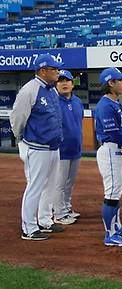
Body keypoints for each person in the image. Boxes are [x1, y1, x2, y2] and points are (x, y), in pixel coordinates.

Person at [11, 53, 65, 240]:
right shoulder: (29, 90)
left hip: (52, 146)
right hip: (37, 147)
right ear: (43, 71)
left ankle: (45, 220)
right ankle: (29, 227)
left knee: (50, 186)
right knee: (35, 187)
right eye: (54, 69)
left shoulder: (51, 89)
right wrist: (21, 139)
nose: (57, 72)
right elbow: (18, 118)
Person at [95, 67, 122, 247]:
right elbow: (114, 133)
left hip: (117, 150)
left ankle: (117, 226)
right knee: (111, 193)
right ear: (110, 83)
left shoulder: (115, 102)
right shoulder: (105, 105)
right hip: (110, 149)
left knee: (116, 192)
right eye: (119, 80)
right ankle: (109, 233)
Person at [53, 70, 83, 225]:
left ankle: (66, 207)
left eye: (67, 80)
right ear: (56, 84)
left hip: (75, 149)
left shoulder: (77, 101)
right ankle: (59, 213)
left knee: (69, 182)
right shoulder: (54, 101)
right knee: (60, 183)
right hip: (60, 150)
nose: (64, 83)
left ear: (73, 83)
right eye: (60, 81)